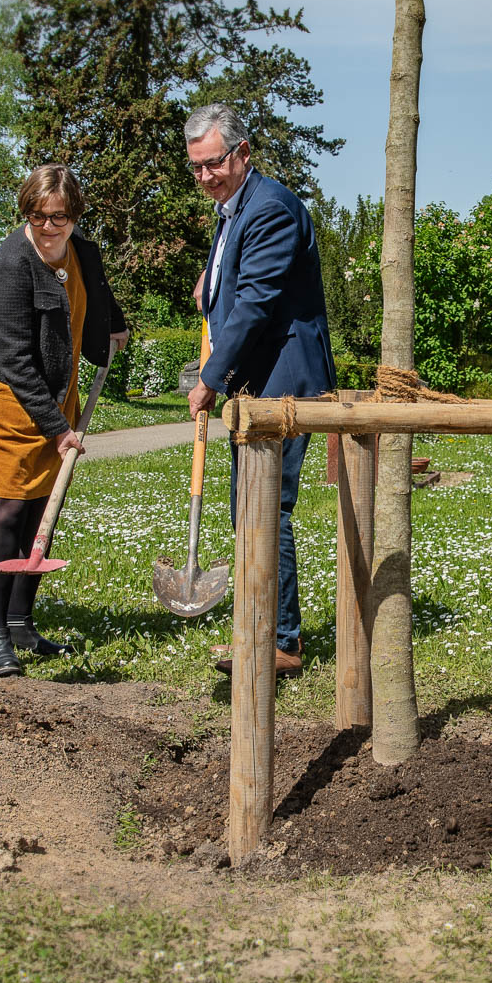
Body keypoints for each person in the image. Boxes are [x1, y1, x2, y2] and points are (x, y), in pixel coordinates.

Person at [184, 103, 335, 676]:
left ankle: (281, 641)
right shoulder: (233, 209)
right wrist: (211, 281)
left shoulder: (270, 207)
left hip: (282, 382)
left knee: (266, 508)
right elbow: (235, 285)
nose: (205, 177)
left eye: (214, 164)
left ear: (243, 153)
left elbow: (256, 304)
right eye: (196, 167)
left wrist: (208, 379)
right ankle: (260, 627)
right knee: (248, 507)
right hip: (258, 380)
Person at [0, 165, 127, 678]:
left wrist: (114, 325)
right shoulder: (11, 265)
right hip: (4, 400)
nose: (48, 226)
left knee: (42, 515)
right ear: (25, 213)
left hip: (57, 395)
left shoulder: (83, 250)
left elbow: (95, 293)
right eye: (37, 216)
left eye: (59, 217)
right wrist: (59, 430)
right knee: (9, 510)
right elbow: (14, 360)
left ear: (75, 215)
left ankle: (19, 621)